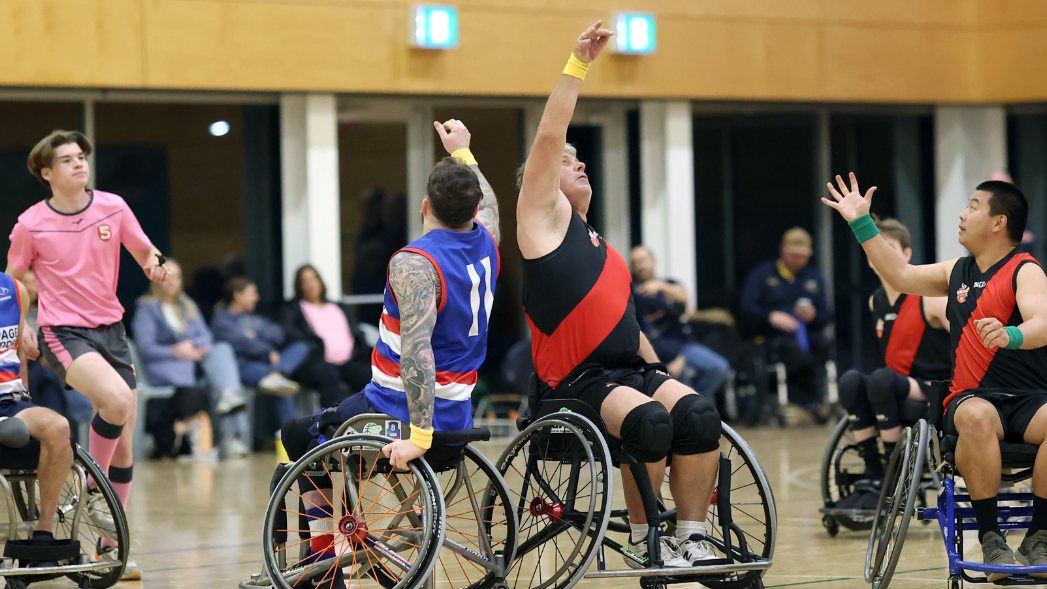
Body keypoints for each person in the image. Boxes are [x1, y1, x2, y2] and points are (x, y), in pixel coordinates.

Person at [516, 22, 721, 568]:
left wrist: (664, 372)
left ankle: (694, 536)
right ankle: (643, 538)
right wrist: (578, 64)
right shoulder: (538, 223)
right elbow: (547, 137)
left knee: (698, 413)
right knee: (650, 422)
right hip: (575, 383)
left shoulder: (604, 248)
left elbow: (627, 326)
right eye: (567, 160)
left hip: (628, 369)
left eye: (580, 160)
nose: (578, 163)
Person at [279, 118, 500, 585]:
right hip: (458, 417)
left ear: (424, 207)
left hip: (400, 414)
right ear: (475, 208)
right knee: (334, 422)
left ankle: (323, 561)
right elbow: (493, 204)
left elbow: (418, 354)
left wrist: (418, 437)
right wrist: (464, 152)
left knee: (297, 435)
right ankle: (353, 543)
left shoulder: (414, 263)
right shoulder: (488, 244)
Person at [825, 174, 1047, 578]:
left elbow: (1044, 323)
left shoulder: (1026, 270)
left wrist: (1012, 333)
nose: (962, 214)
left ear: (999, 222)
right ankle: (992, 539)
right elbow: (900, 276)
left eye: (973, 206)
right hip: (973, 398)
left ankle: (1040, 536)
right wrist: (861, 222)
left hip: (1030, 399)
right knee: (976, 416)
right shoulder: (955, 272)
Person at [7, 130, 168, 580]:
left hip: (112, 331)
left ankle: (108, 546)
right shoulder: (30, 224)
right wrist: (22, 323)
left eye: (82, 157)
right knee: (116, 402)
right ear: (47, 172)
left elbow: (143, 247)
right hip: (63, 332)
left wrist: (155, 263)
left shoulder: (113, 207)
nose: (80, 164)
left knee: (125, 443)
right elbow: (13, 278)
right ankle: (92, 487)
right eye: (67, 160)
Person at [834, 217, 951, 510]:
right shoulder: (876, 301)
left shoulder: (930, 298)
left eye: (889, 247)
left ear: (907, 254)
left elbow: (967, 340)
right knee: (851, 381)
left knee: (881, 379)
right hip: (893, 385)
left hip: (935, 386)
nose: (881, 253)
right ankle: (873, 469)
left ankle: (892, 469)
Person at [132, 258, 251, 458]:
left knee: (221, 350)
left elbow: (206, 338)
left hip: (193, 365)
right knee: (219, 385)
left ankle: (229, 408)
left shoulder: (187, 305)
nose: (172, 282)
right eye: (168, 276)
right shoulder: (147, 308)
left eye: (177, 277)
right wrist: (177, 351)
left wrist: (193, 349)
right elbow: (146, 348)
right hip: (167, 368)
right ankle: (229, 435)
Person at [0, 271, 76, 567]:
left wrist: (25, 397)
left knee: (58, 426)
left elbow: (20, 354)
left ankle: (43, 534)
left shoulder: (15, 289)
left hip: (10, 400)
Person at [739, 227, 833, 421]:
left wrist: (813, 316)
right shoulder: (763, 274)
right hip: (774, 337)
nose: (799, 261)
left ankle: (818, 401)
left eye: (803, 256)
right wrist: (770, 317)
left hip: (807, 335)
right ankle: (798, 400)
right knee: (791, 351)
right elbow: (746, 309)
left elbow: (827, 314)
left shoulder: (813, 276)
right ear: (783, 251)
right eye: (794, 255)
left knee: (825, 347)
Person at [630, 245, 731, 398]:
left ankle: (698, 403)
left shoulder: (668, 284)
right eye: (635, 263)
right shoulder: (633, 292)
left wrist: (661, 286)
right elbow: (645, 333)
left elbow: (684, 297)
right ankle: (689, 409)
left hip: (684, 344)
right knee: (680, 377)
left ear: (653, 261)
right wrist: (672, 358)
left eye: (643, 260)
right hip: (657, 351)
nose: (640, 266)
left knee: (719, 367)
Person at [211, 277, 306, 431]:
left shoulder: (255, 318)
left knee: (301, 347)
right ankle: (292, 434)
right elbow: (239, 343)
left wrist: (254, 335)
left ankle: (277, 374)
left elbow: (279, 334)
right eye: (252, 293)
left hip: (268, 364)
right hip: (244, 367)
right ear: (237, 295)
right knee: (282, 387)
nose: (257, 298)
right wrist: (266, 350)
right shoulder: (222, 319)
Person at [281, 264, 372, 407]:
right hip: (316, 363)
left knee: (369, 376)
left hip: (348, 360)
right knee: (329, 376)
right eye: (305, 281)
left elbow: (355, 332)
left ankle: (373, 420)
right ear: (299, 286)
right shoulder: (293, 310)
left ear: (320, 281)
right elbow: (294, 337)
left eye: (313, 279)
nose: (310, 285)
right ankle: (331, 424)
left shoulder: (338, 306)